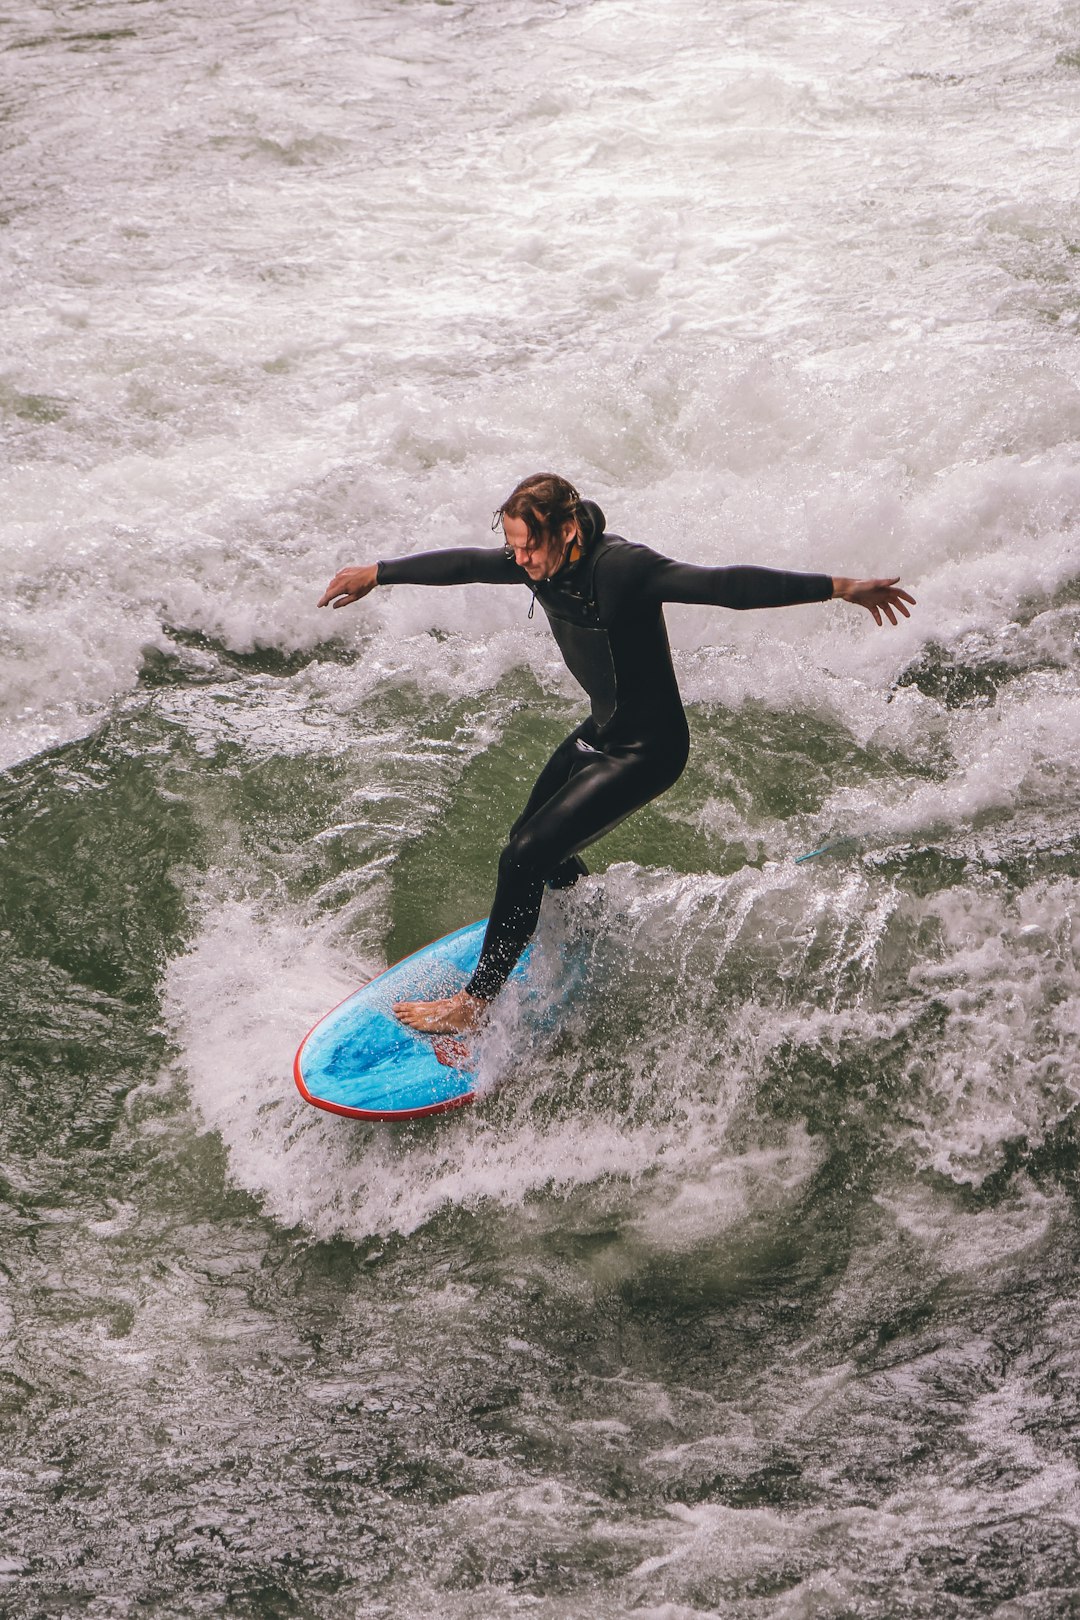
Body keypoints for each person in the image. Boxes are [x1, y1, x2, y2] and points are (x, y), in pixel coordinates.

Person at [318, 473, 915, 1034]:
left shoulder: (622, 568)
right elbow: (467, 565)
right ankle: (583, 923)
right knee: (537, 844)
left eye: (528, 546)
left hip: (647, 749)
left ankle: (473, 1005)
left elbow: (726, 586)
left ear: (567, 530)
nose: (519, 560)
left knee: (523, 856)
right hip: (603, 730)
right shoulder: (537, 563)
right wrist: (379, 571)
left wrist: (840, 589)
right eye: (513, 546)